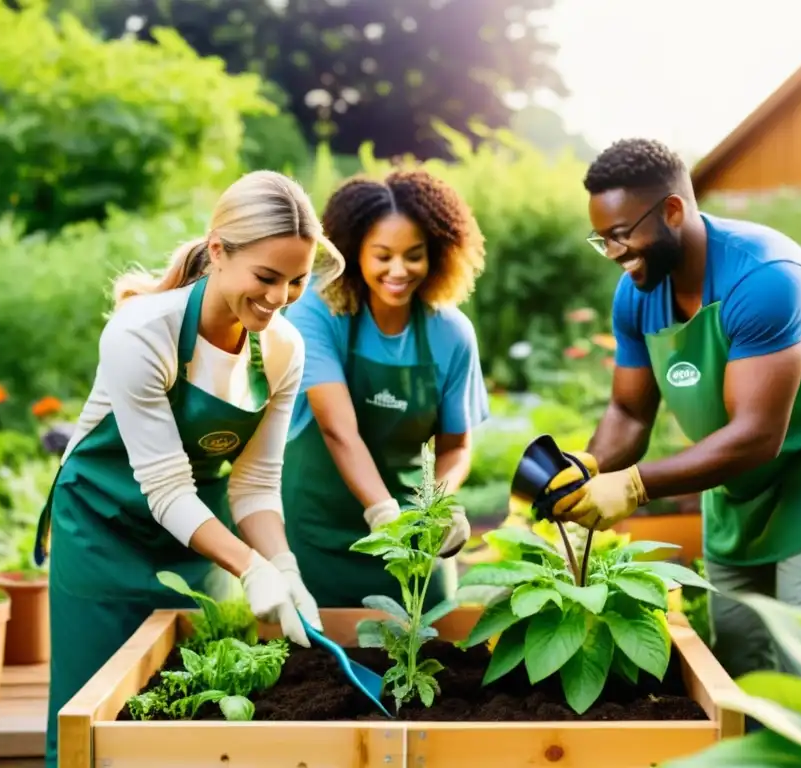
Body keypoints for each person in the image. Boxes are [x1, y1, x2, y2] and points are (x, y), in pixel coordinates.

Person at [546, 138, 801, 679]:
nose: (614, 253)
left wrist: (636, 486)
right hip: (733, 471)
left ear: (672, 211)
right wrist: (590, 466)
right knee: (735, 642)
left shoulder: (765, 277)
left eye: (621, 236)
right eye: (603, 240)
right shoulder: (637, 293)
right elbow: (629, 412)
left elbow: (758, 435)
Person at [32, 170, 344, 767]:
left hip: (196, 543)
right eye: (267, 277)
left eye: (297, 281)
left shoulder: (283, 349)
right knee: (89, 726)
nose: (279, 298)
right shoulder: (142, 333)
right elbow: (165, 486)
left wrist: (283, 565)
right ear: (220, 251)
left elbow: (254, 483)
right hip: (102, 531)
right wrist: (250, 566)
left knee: (193, 719)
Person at [280, 167, 489, 610]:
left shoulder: (451, 333)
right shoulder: (316, 313)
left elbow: (457, 445)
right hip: (320, 529)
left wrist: (436, 506)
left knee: (430, 643)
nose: (399, 270)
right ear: (353, 252)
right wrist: (382, 513)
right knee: (312, 668)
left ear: (437, 254)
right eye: (382, 255)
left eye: (414, 255)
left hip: (412, 537)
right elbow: (339, 430)